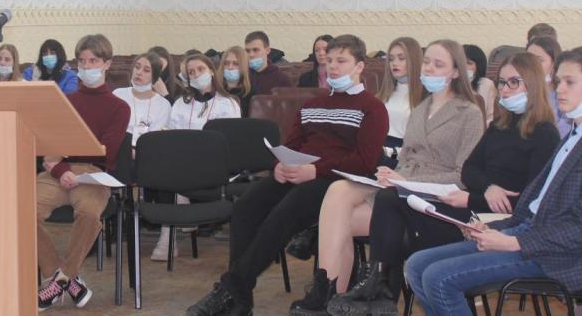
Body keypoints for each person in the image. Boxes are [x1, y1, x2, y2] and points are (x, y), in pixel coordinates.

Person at [404, 45, 582, 316]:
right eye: (558, 81)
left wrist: (515, 242)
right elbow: (534, 207)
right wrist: (494, 228)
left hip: (558, 255)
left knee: (438, 277)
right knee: (417, 264)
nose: (559, 89)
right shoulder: (575, 135)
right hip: (529, 233)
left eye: (570, 82)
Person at [326, 52, 560, 316]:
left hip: (496, 218)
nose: (505, 89)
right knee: (390, 198)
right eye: (502, 83)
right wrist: (488, 188)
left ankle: (382, 290)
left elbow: (530, 201)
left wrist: (474, 198)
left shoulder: (545, 134)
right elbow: (470, 170)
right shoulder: (500, 125)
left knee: (393, 209)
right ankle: (381, 289)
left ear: (533, 84)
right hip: (473, 203)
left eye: (513, 82)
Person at [187, 35, 388, 316]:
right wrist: (279, 164)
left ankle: (231, 290)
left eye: (341, 61)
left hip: (337, 181)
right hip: (299, 172)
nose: (333, 66)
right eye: (329, 60)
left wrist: (315, 170)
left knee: (286, 210)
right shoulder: (312, 105)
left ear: (359, 66)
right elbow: (291, 145)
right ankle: (240, 299)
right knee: (246, 207)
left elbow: (364, 162)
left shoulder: (372, 107)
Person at [289, 40, 485, 316]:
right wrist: (391, 174)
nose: (429, 68)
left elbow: (463, 177)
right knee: (339, 195)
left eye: (438, 64)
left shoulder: (469, 113)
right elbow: (407, 158)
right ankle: (331, 295)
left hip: (436, 200)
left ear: (455, 72)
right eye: (427, 62)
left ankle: (361, 290)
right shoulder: (421, 109)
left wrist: (404, 181)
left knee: (348, 215)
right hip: (401, 191)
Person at [36, 34, 129, 310]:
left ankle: (62, 278)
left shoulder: (119, 107)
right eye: (82, 61)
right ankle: (61, 277)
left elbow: (105, 153)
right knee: (19, 210)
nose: (87, 67)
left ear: (107, 64)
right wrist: (61, 169)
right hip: (57, 171)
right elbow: (51, 146)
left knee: (89, 214)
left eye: (94, 61)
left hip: (93, 175)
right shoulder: (67, 101)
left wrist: (69, 158)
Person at [154, 53, 241, 261]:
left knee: (172, 177)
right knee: (163, 165)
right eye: (191, 72)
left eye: (200, 69)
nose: (196, 75)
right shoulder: (180, 104)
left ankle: (174, 221)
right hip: (182, 163)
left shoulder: (228, 103)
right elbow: (171, 136)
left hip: (214, 166)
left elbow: (230, 143)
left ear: (211, 70)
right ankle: (168, 236)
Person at [376, 37, 424, 167]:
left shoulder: (425, 97)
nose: (394, 63)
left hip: (405, 156)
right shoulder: (382, 95)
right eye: (391, 59)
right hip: (378, 149)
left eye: (401, 58)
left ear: (414, 61)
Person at [112, 52, 170, 147]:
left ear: (155, 77)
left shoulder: (164, 105)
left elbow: (157, 139)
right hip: (119, 148)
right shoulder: (118, 94)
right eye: (137, 67)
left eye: (146, 70)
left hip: (148, 151)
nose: (139, 72)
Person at [527, 35, 570, 137]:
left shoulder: (563, 93)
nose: (531, 64)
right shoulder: (516, 89)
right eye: (528, 59)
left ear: (554, 63)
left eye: (539, 60)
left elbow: (564, 132)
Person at [246, 31, 289, 99]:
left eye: (255, 50)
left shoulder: (281, 79)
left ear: (267, 51)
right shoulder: (242, 76)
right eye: (247, 51)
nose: (251, 55)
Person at [464, 44, 497, 126]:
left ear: (478, 66)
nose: (464, 67)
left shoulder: (486, 84)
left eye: (469, 63)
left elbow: (490, 117)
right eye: (460, 62)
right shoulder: (448, 83)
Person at [217, 46, 253, 116]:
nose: (230, 67)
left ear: (244, 66)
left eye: (236, 64)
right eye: (226, 63)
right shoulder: (215, 89)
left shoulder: (252, 93)